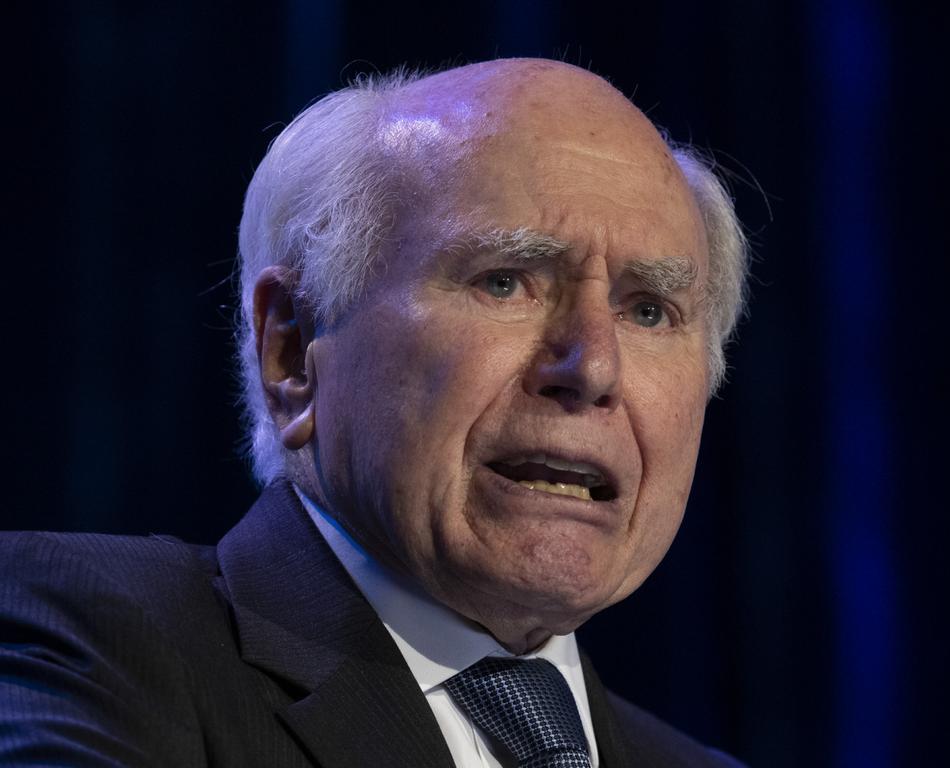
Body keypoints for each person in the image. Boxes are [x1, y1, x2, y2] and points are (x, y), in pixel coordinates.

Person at [0, 58, 748, 767]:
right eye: (504, 282)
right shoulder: (90, 640)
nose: (591, 366)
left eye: (649, 310)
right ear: (292, 350)